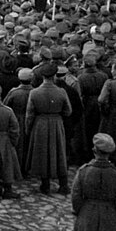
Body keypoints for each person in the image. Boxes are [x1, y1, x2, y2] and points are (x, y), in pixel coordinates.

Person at [70, 133, 116, 231]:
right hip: (110, 217)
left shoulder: (83, 171)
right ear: (110, 153)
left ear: (94, 150)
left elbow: (75, 197)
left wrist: (80, 212)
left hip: (87, 216)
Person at [25, 63, 72, 194]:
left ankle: (45, 184)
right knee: (59, 152)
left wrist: (28, 129)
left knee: (43, 153)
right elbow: (68, 111)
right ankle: (63, 185)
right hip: (57, 123)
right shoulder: (61, 92)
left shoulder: (34, 92)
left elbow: (29, 114)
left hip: (40, 124)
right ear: (54, 76)